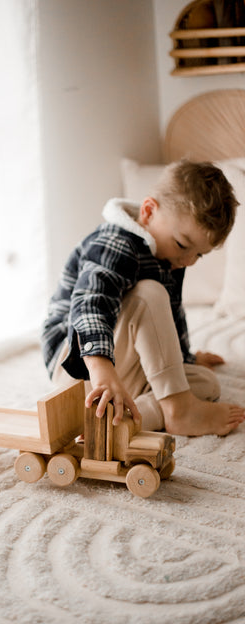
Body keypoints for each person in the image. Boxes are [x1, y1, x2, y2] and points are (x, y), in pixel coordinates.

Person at [42, 160, 245, 436]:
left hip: (120, 365)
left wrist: (186, 358)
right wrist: (101, 369)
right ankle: (177, 409)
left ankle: (117, 425)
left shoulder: (171, 258)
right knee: (150, 292)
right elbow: (91, 304)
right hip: (79, 362)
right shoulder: (115, 242)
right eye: (183, 245)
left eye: (199, 254)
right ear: (148, 211)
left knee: (206, 384)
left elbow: (170, 318)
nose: (187, 260)